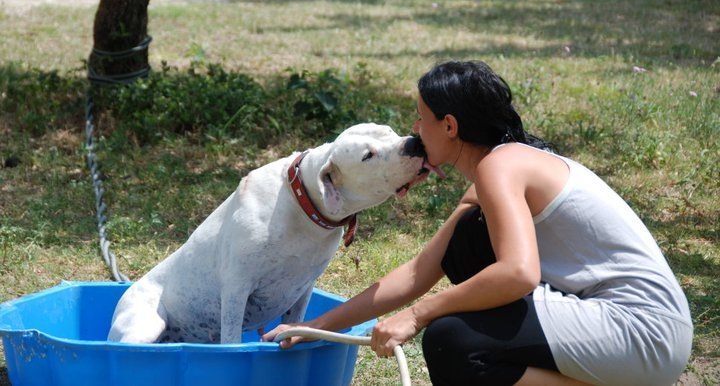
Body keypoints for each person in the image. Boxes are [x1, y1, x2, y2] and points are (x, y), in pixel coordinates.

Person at [262, 60, 693, 386]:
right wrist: (314, 328)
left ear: (449, 125)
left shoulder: (501, 167)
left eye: (420, 117)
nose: (414, 129)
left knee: (454, 341)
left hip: (642, 333)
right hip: (632, 332)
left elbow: (519, 274)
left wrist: (416, 316)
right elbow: (416, 273)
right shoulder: (501, 169)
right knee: (468, 242)